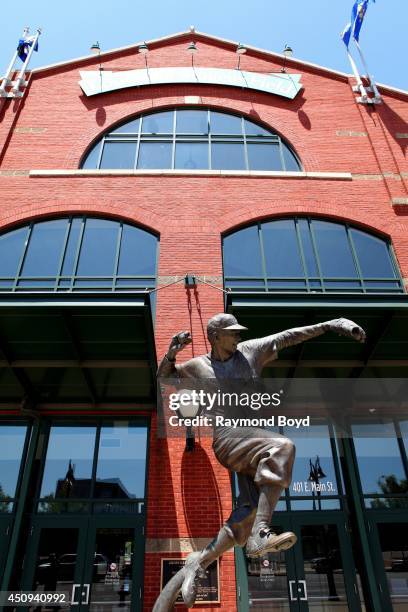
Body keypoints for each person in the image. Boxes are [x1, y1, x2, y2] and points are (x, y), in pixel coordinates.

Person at [156, 313, 365, 608]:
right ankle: (260, 535)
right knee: (283, 447)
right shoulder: (197, 367)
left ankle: (198, 563)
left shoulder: (251, 351)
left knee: (246, 513)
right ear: (216, 337)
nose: (239, 336)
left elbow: (289, 335)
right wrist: (171, 353)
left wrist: (332, 324)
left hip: (251, 439)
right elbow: (165, 378)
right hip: (228, 438)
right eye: (232, 333)